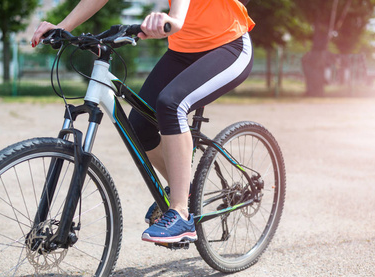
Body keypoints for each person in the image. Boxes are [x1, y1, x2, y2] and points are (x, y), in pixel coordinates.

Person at [31, 0, 255, 244]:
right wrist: (63, 27)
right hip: (182, 51)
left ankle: (181, 214)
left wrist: (175, 19)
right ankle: (185, 188)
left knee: (171, 104)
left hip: (228, 45)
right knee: (139, 126)